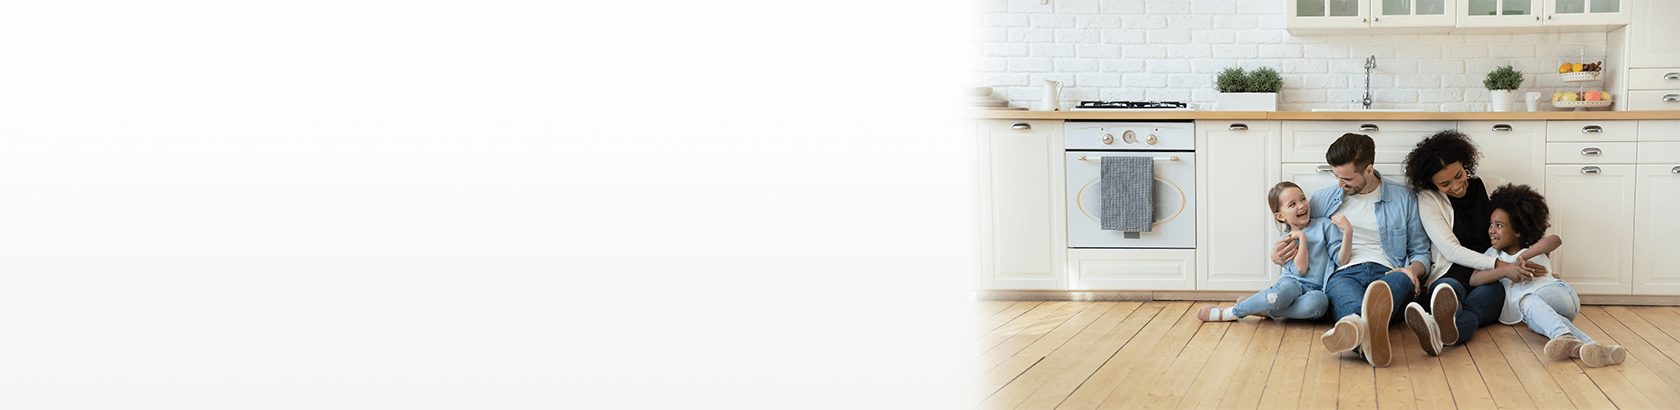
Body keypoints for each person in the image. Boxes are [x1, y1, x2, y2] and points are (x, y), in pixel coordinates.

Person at [1272, 133, 1431, 368]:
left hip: (1390, 272)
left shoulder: (1403, 198)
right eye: (1335, 176)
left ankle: (1358, 337)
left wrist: (1410, 270)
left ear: (1368, 170)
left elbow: (1421, 252)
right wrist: (1278, 256)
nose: (1340, 185)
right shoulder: (1322, 200)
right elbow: (1298, 233)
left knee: (1397, 284)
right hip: (1343, 272)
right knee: (1349, 302)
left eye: (1346, 179)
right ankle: (1370, 335)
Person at [1397, 130, 1560, 356]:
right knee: (1448, 292)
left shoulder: (1494, 185)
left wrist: (1544, 272)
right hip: (1452, 272)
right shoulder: (1429, 198)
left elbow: (1520, 230)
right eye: (1444, 183)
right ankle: (1441, 318)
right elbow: (1451, 251)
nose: (1456, 186)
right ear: (1432, 183)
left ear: (1465, 163)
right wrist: (1504, 267)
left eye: (1459, 175)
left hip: (1492, 277)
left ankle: (1436, 329)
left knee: (1476, 308)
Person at [1486, 184, 1626, 367]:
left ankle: (1563, 336)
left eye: (1499, 225)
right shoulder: (1492, 255)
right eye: (1491, 224)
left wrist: (1520, 259)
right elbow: (1474, 278)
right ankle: (1600, 351)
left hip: (1556, 294)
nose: (1491, 230)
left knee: (1527, 301)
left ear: (1518, 230)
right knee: (1549, 322)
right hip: (1536, 314)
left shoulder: (1532, 249)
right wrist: (1506, 270)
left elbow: (1555, 240)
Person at [1199, 182, 1344, 322]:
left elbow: (1338, 254)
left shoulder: (1324, 225)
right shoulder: (1285, 241)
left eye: (1303, 199)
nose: (1301, 205)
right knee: (1280, 293)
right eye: (1292, 204)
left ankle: (1260, 308)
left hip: (1317, 289)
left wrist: (1303, 237)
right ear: (1280, 216)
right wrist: (1302, 237)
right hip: (1293, 283)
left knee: (1319, 304)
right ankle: (1232, 312)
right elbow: (1300, 270)